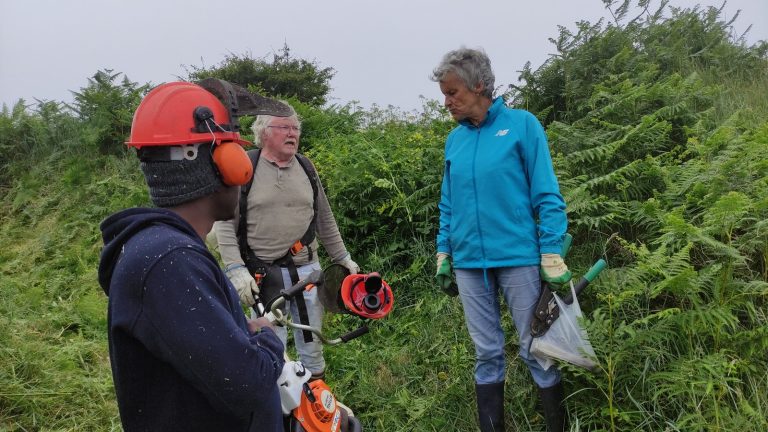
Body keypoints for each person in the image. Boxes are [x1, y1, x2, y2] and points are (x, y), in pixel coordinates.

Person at [97, 80, 292, 431]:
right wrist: (265, 337)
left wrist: (237, 334)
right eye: (236, 152)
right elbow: (246, 383)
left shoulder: (165, 249)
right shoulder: (170, 261)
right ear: (224, 165)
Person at [430, 47, 573, 432]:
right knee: (486, 351)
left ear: (479, 86)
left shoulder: (523, 125)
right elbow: (449, 202)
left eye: (453, 93)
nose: (447, 102)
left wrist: (551, 252)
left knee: (536, 347)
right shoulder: (454, 141)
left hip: (518, 258)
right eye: (444, 94)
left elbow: (547, 195)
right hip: (470, 264)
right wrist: (444, 250)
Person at [213, 102, 359, 381]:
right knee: (270, 346)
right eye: (285, 127)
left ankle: (316, 404)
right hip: (262, 275)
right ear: (264, 132)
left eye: (296, 128)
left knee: (312, 343)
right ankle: (279, 408)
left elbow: (324, 218)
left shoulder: (306, 167)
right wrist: (235, 269)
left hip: (308, 270)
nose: (293, 133)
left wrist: (342, 258)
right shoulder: (245, 166)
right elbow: (225, 223)